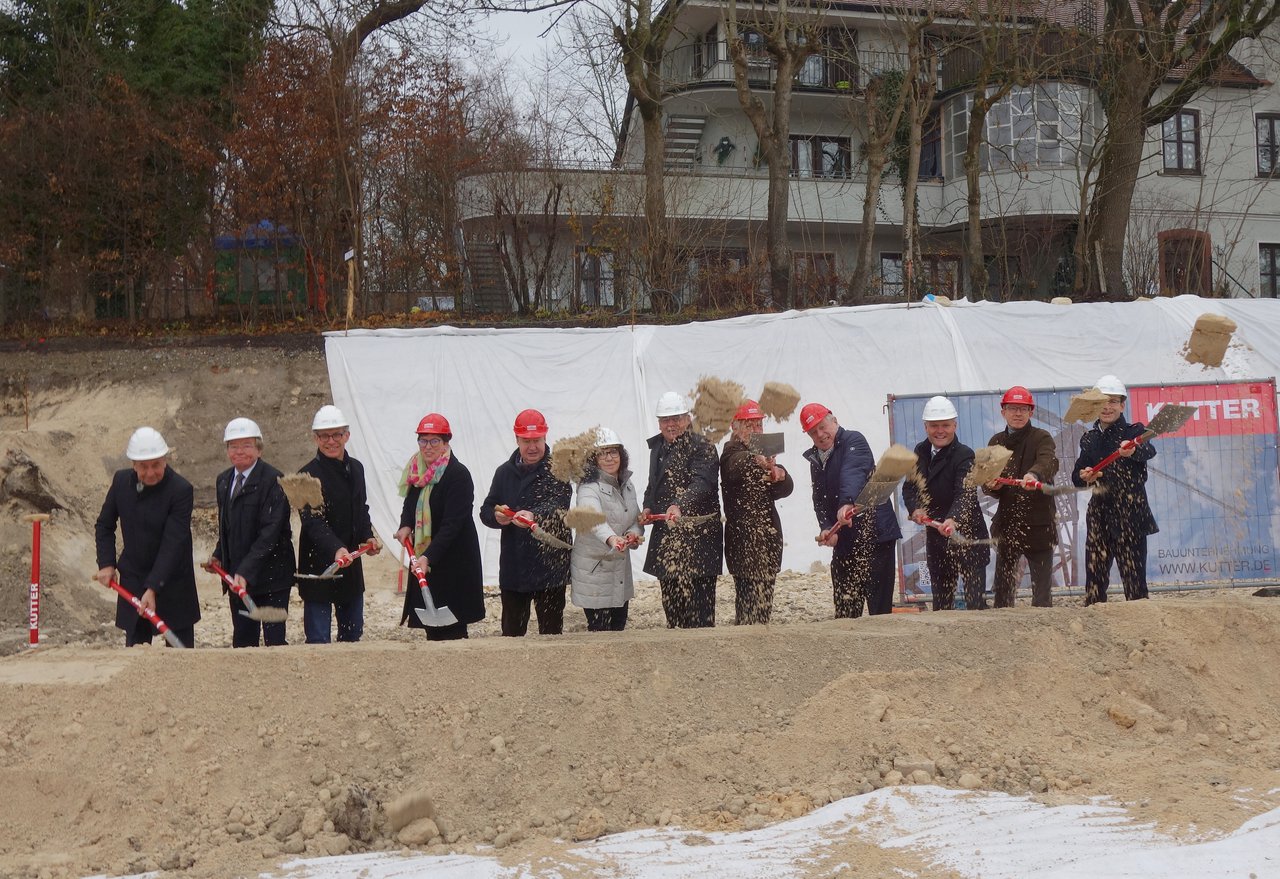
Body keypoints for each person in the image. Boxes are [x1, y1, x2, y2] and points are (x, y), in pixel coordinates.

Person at [95, 427, 199, 647]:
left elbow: (173, 544)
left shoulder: (180, 490)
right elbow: (104, 525)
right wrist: (106, 564)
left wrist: (153, 588)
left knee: (181, 660)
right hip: (134, 578)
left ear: (165, 460)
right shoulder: (121, 482)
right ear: (133, 464)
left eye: (156, 465)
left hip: (172, 580)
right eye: (143, 467)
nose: (150, 473)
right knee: (137, 655)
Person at [802, 403, 902, 618]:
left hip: (875, 534)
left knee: (879, 609)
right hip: (846, 539)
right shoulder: (815, 459)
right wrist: (828, 528)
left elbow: (854, 471)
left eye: (822, 426)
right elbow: (819, 498)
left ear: (834, 421)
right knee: (846, 606)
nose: (820, 435)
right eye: (813, 432)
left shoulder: (854, 440)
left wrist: (846, 502)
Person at [479, 408, 572, 636]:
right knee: (512, 635)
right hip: (515, 568)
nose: (532, 447)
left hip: (549, 568)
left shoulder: (558, 470)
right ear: (517, 439)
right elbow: (486, 509)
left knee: (550, 635)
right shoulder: (504, 473)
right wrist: (497, 517)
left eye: (537, 440)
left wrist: (534, 515)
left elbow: (560, 505)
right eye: (526, 441)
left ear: (545, 438)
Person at [395, 413, 485, 640]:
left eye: (434, 441)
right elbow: (410, 502)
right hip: (428, 560)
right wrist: (405, 524)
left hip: (454, 559)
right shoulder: (417, 469)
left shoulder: (458, 475)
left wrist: (428, 557)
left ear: (446, 442)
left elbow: (453, 524)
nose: (428, 446)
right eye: (423, 440)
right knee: (431, 628)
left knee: (453, 626)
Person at [296, 405, 381, 643]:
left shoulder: (357, 468)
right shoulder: (306, 476)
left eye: (337, 435)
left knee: (353, 635)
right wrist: (336, 548)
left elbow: (361, 509)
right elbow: (312, 522)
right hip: (319, 569)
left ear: (347, 436)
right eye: (324, 436)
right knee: (319, 640)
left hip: (350, 565)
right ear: (315, 438)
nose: (331, 441)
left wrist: (368, 536)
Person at [1071, 375, 1158, 604]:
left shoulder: (1134, 432)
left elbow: (1149, 450)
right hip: (1099, 516)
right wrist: (1085, 476)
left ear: (1122, 405)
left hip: (1131, 514)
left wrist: (1133, 451)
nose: (1107, 407)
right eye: (1102, 402)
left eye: (1113, 401)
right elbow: (1077, 477)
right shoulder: (1089, 439)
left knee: (1135, 584)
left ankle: (1144, 632)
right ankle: (1095, 630)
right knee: (1095, 584)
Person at [211, 417, 295, 647]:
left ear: (259, 450)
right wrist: (219, 554)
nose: (239, 451)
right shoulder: (224, 481)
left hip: (272, 577)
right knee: (243, 642)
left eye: (246, 445)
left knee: (274, 642)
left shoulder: (274, 481)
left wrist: (246, 571)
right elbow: (226, 525)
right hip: (239, 577)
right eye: (233, 446)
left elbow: (271, 533)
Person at [642, 391, 724, 628]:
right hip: (667, 540)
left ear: (688, 419)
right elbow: (653, 483)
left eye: (676, 418)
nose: (671, 425)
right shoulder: (657, 446)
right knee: (673, 609)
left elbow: (703, 483)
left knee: (699, 613)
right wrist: (648, 505)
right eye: (666, 420)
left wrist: (680, 505)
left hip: (698, 540)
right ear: (659, 422)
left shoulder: (703, 445)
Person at [901, 396, 991, 611]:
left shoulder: (964, 455)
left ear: (954, 425)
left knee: (975, 602)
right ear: (926, 427)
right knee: (941, 603)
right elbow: (909, 488)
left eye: (945, 425)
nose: (940, 431)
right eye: (934, 426)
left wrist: (954, 519)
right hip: (937, 538)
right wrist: (915, 508)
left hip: (967, 535)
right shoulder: (920, 452)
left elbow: (965, 493)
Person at [982, 386, 1058, 608]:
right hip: (1008, 525)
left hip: (1039, 525)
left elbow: (1048, 461)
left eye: (1023, 409)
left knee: (1042, 595)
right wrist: (991, 485)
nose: (1017, 413)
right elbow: (991, 483)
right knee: (1003, 594)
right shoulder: (996, 442)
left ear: (1031, 412)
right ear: (1003, 411)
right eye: (1012, 408)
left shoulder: (1042, 437)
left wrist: (1033, 474)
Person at [719, 399, 794, 624]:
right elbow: (735, 466)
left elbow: (787, 488)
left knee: (764, 607)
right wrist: (757, 461)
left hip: (768, 542)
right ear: (735, 427)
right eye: (748, 425)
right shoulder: (731, 451)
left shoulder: (766, 451)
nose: (755, 430)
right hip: (743, 544)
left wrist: (778, 474)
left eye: (758, 425)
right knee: (747, 605)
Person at [569, 428, 644, 631]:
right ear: (594, 459)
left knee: (618, 627)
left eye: (613, 452)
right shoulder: (587, 486)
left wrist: (634, 534)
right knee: (600, 632)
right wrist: (612, 538)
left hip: (619, 571)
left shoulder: (627, 485)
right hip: (594, 571)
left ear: (621, 455)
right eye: (602, 453)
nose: (609, 458)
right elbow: (592, 518)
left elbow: (635, 519)